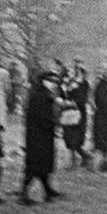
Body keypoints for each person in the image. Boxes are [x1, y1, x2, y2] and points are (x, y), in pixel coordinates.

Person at [20, 71, 63, 205]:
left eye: (55, 82)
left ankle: (47, 189)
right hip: (37, 135)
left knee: (43, 163)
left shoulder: (44, 95)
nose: (53, 84)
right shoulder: (39, 96)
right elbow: (41, 117)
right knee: (35, 164)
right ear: (44, 81)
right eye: (51, 81)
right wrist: (54, 123)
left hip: (42, 134)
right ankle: (24, 194)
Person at [60, 66, 91, 169]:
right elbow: (64, 95)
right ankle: (85, 156)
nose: (75, 74)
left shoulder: (84, 84)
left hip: (78, 114)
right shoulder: (69, 83)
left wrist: (72, 100)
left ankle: (74, 162)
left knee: (74, 138)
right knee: (68, 138)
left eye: (77, 73)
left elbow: (82, 99)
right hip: (68, 112)